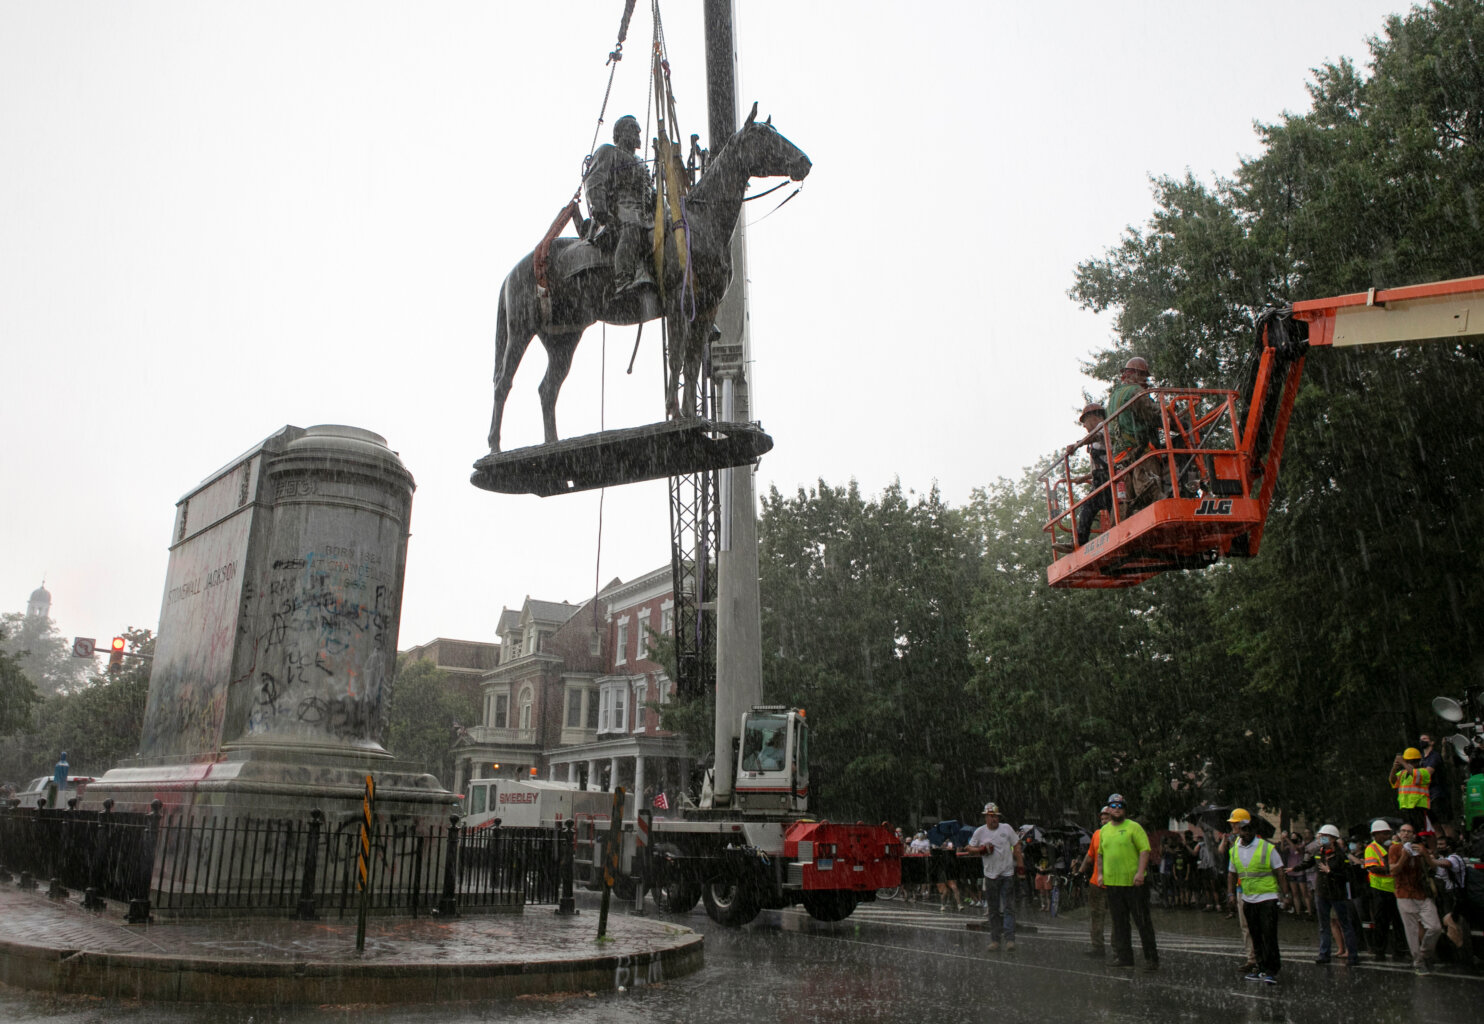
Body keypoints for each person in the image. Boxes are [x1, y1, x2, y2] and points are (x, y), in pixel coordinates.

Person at [583, 114, 655, 297]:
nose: (639, 132)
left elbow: (649, 192)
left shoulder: (641, 162)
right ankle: (623, 280)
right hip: (618, 210)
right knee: (633, 226)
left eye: (638, 129)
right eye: (633, 129)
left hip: (643, 212)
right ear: (621, 133)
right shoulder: (608, 152)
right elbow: (595, 180)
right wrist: (600, 209)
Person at [1226, 808, 1291, 984]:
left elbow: (1280, 872)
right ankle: (1260, 967)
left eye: (1248, 830)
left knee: (1269, 934)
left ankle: (1271, 969)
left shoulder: (1267, 848)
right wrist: (1231, 894)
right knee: (1255, 935)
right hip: (1248, 898)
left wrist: (1285, 895)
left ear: (1254, 832)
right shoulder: (1235, 850)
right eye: (1242, 830)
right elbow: (1231, 873)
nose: (1244, 834)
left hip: (1267, 898)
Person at [1097, 793, 1158, 971]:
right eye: (1113, 807)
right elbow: (1101, 854)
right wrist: (1100, 874)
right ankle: (1125, 957)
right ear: (1108, 809)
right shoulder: (1105, 830)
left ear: (1125, 809)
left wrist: (1140, 873)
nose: (1117, 810)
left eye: (1120, 806)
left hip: (1134, 884)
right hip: (1113, 883)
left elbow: (1144, 850)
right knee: (1119, 923)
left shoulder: (1134, 827)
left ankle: (1151, 958)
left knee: (1142, 922)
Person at [1105, 357, 1164, 509]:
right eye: (1144, 377)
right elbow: (1154, 416)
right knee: (1152, 495)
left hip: (1121, 459)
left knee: (1124, 503)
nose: (1146, 382)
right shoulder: (1136, 392)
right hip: (1142, 454)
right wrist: (1170, 417)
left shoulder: (1114, 397)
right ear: (1135, 374)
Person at [965, 802, 1023, 950]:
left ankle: (1010, 939)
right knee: (993, 909)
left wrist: (1021, 865)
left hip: (1007, 874)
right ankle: (995, 940)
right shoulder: (980, 832)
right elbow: (969, 848)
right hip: (990, 876)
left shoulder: (1006, 828)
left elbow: (1017, 845)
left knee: (1009, 907)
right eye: (990, 816)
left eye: (995, 816)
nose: (993, 819)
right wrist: (981, 850)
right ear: (985, 818)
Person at [1389, 822, 1442, 974]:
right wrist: (1403, 858)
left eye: (1409, 832)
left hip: (1421, 893)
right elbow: (1393, 870)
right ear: (1399, 834)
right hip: (1404, 893)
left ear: (1413, 835)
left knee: (1435, 927)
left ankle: (1425, 953)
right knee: (1411, 931)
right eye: (1403, 831)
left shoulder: (1419, 848)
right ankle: (1418, 961)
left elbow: (1433, 867)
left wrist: (1425, 854)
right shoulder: (1395, 848)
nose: (1405, 834)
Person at [1060, 401, 1110, 549]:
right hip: (1102, 478)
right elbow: (1104, 462)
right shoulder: (1098, 436)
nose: (1084, 426)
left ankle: (1079, 542)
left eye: (1085, 421)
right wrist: (1084, 478)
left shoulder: (1103, 427)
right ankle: (1081, 540)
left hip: (1106, 478)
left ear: (1094, 417)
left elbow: (1093, 438)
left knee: (1088, 507)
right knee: (1105, 507)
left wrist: (1076, 445)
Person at [1311, 824, 1360, 966]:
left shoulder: (1340, 855)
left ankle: (1352, 955)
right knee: (1324, 925)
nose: (1320, 839)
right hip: (1322, 893)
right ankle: (1324, 954)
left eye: (1324, 837)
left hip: (1337, 894)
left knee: (1345, 924)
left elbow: (1345, 875)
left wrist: (1330, 872)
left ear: (1332, 839)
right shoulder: (1318, 852)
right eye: (1320, 837)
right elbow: (1309, 863)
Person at [1363, 819, 1403, 960]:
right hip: (1379, 890)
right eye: (1384, 834)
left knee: (1399, 922)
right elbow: (1372, 867)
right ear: (1375, 835)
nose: (1387, 836)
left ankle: (1400, 952)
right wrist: (1391, 869)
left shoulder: (1396, 846)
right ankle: (1379, 952)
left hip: (1396, 889)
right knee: (1381, 923)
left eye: (1388, 833)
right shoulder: (1371, 849)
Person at [1078, 806, 1112, 956]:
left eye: (1107, 818)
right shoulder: (1097, 834)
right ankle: (1098, 946)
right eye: (1102, 819)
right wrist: (1080, 871)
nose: (1104, 821)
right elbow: (1090, 855)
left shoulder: (1117, 834)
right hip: (1096, 883)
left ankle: (1118, 948)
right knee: (1096, 915)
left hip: (1115, 882)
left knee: (1118, 917)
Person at [1389, 746, 1433, 832]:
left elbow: (1415, 774)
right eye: (1408, 761)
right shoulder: (1402, 773)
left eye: (1413, 761)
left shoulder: (1424, 772)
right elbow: (1392, 781)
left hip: (1419, 807)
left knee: (1422, 832)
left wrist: (1403, 762)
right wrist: (1394, 768)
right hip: (1406, 808)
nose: (1410, 763)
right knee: (1409, 831)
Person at [1417, 734, 1453, 837]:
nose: (1422, 741)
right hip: (1427, 795)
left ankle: (1453, 844)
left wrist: (1415, 772)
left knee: (1444, 823)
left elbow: (1427, 773)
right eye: (1421, 739)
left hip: (1438, 794)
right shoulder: (1421, 758)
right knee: (1435, 824)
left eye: (1424, 739)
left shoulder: (1435, 756)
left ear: (1432, 742)